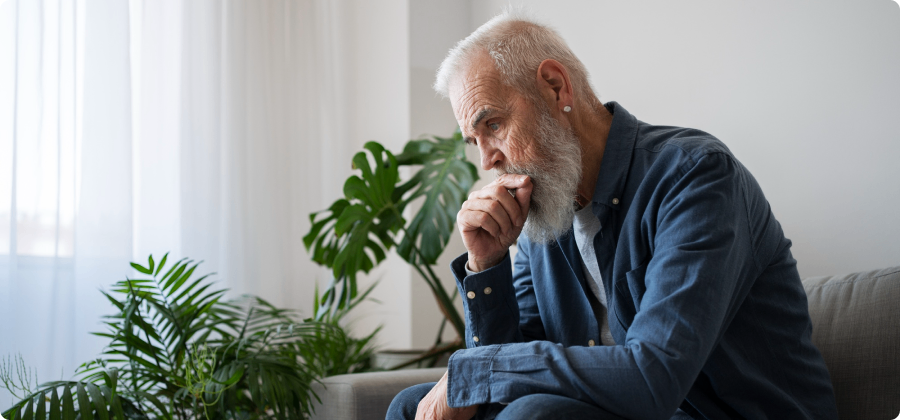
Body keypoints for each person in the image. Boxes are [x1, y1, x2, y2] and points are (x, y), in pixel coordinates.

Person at [387, 9, 838, 420]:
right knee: (411, 406)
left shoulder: (695, 177)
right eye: (475, 139)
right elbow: (504, 372)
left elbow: (654, 376)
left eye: (493, 125)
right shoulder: (545, 213)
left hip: (723, 413)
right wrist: (487, 265)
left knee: (535, 416)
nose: (487, 161)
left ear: (555, 87)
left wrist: (478, 370)